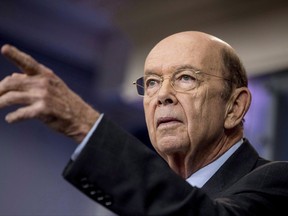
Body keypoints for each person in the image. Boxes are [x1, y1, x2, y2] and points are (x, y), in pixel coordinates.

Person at [0, 31, 288, 215]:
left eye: (186, 78)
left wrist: (85, 124)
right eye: (151, 82)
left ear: (234, 107)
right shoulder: (147, 200)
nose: (162, 95)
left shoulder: (276, 182)